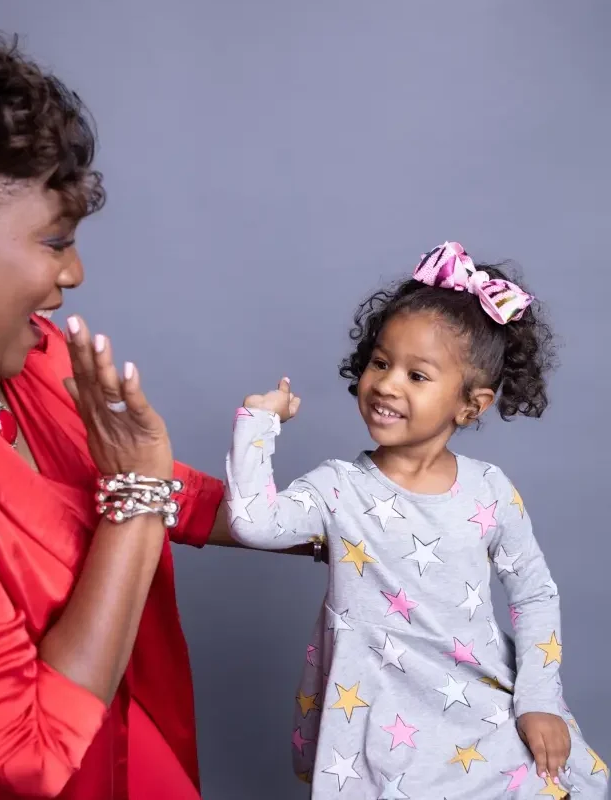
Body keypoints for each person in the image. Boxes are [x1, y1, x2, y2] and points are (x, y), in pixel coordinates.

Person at [0, 19, 315, 800]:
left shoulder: (16, 350)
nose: (74, 272)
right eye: (53, 241)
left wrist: (324, 525)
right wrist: (136, 505)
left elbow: (112, 480)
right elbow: (25, 755)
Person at [225, 242, 609, 798]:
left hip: (485, 713)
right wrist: (259, 422)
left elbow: (534, 593)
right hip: (385, 730)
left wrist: (539, 700)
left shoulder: (490, 491)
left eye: (417, 375)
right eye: (381, 363)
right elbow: (253, 522)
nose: (387, 384)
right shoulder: (338, 488)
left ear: (470, 405)